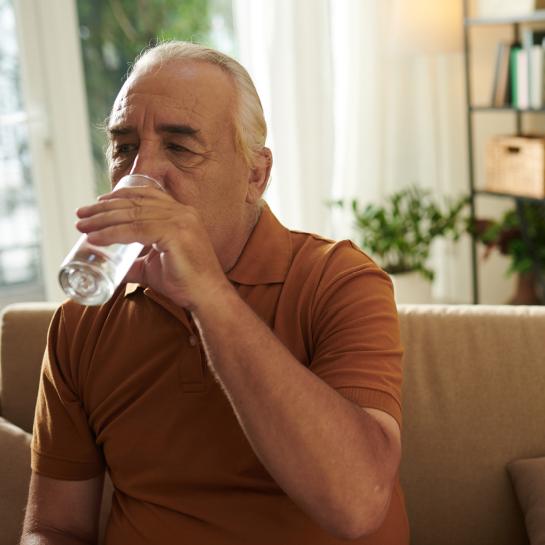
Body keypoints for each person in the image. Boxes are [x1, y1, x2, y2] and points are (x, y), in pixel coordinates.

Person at [20, 41, 408, 545]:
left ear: (256, 175)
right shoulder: (83, 321)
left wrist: (209, 296)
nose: (142, 174)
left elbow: (357, 504)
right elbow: (54, 528)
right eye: (124, 147)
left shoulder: (338, 281)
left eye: (179, 148)